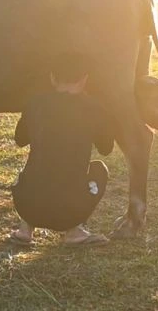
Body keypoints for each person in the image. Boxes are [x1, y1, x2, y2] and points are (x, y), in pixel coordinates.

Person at [9, 52, 116, 246]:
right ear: (84, 79)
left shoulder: (35, 103)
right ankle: (74, 232)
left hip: (27, 205)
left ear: (52, 77)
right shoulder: (94, 108)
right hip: (69, 212)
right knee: (99, 169)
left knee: (32, 170)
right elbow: (106, 149)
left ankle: (25, 230)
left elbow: (20, 140)